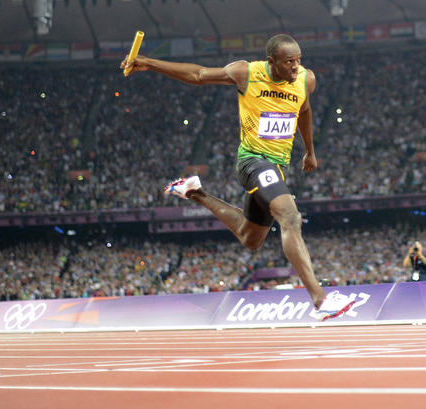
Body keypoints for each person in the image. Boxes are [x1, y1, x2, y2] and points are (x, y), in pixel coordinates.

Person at [121, 34, 354, 321]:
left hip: (277, 167)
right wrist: (148, 62)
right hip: (252, 162)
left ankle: (194, 192)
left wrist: (309, 151)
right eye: (289, 62)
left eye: (298, 60)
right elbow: (198, 75)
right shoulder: (246, 73)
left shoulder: (306, 79)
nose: (296, 66)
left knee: (250, 237)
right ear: (272, 61)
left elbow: (304, 109)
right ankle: (319, 299)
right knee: (290, 217)